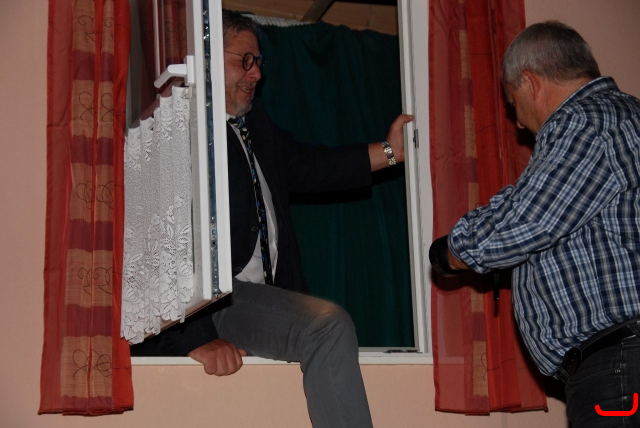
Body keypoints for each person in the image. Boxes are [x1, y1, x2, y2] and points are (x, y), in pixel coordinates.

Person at [131, 9, 413, 428]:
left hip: (253, 298)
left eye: (258, 61)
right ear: (206, 60)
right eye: (244, 60)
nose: (256, 73)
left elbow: (311, 166)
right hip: (208, 303)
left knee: (324, 327)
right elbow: (153, 243)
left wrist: (390, 153)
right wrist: (195, 338)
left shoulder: (254, 125)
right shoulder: (172, 128)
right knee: (327, 326)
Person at [429, 21, 640, 427]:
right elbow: (535, 206)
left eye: (513, 104)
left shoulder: (586, 121)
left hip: (620, 365)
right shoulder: (623, 117)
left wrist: (452, 251)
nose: (520, 124)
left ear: (531, 82)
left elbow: (530, 220)